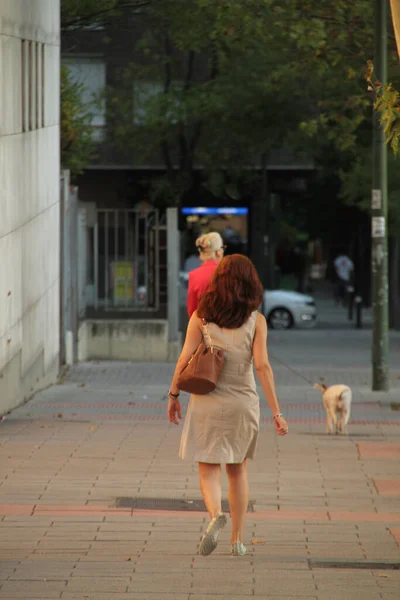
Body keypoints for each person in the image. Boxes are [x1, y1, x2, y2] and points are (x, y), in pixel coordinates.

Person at [168, 255, 288, 557]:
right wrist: (277, 411)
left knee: (208, 468)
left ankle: (214, 516)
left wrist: (173, 395)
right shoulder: (256, 320)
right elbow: (262, 366)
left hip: (207, 401)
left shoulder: (201, 316)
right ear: (252, 283)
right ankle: (237, 540)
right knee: (237, 471)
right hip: (242, 403)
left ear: (217, 281)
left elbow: (184, 359)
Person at [186, 232, 225, 318]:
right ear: (218, 252)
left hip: (203, 326)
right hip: (228, 327)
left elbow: (192, 310)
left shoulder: (194, 275)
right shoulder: (229, 272)